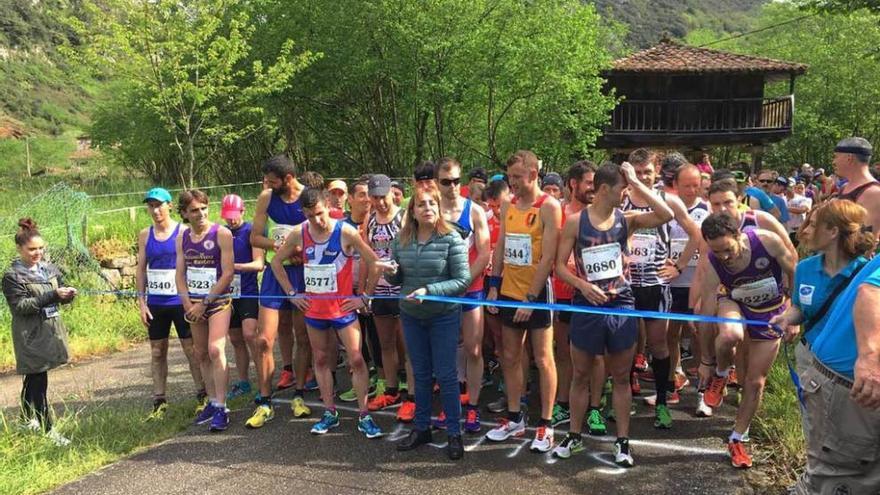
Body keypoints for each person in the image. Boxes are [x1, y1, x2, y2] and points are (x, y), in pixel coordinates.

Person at [552, 162, 673, 466]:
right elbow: (559, 267)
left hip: (621, 303)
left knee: (620, 376)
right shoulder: (576, 222)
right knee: (580, 374)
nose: (626, 193)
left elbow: (666, 215)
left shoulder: (626, 220)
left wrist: (635, 180)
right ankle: (574, 435)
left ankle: (622, 442)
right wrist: (582, 285)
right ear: (605, 189)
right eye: (622, 188)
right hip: (586, 305)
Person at [271, 187, 385, 440]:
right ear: (304, 213)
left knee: (356, 359)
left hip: (342, 309)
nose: (317, 221)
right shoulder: (299, 232)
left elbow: (373, 261)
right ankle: (330, 411)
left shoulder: (345, 231)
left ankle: (364, 414)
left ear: (328, 207)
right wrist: (292, 293)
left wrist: (364, 296)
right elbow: (276, 262)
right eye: (310, 216)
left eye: (320, 214)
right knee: (321, 360)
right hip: (314, 310)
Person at [781, 211, 880, 494]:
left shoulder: (862, 265)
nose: (805, 230)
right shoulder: (806, 267)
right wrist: (870, 360)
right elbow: (870, 295)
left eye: (813, 224)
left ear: (834, 231)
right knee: (837, 478)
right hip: (849, 382)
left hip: (842, 377)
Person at [697, 212, 796, 468]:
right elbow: (708, 307)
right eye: (716, 251)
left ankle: (737, 438)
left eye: (727, 249)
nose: (724, 257)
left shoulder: (767, 241)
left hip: (770, 313)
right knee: (730, 334)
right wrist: (706, 360)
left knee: (755, 382)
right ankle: (721, 373)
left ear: (739, 235)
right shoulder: (713, 261)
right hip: (735, 303)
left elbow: (795, 272)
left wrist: (794, 312)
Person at [385, 186, 471, 460]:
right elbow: (397, 280)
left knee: (446, 375)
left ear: (439, 208)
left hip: (443, 316)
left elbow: (462, 281)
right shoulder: (400, 241)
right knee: (420, 374)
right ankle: (422, 428)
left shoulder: (452, 239)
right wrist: (391, 274)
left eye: (432, 203)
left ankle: (454, 433)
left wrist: (429, 291)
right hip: (411, 315)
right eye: (421, 204)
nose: (427, 208)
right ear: (412, 210)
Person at [486, 150, 561, 453]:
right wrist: (494, 286)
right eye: (510, 177)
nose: (513, 182)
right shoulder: (508, 206)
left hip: (537, 293)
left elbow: (548, 257)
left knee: (543, 358)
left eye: (517, 177)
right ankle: (515, 416)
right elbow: (502, 245)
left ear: (533, 174)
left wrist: (531, 298)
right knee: (509, 355)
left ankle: (546, 424)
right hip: (508, 290)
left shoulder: (549, 206)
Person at [623, 149, 701, 430]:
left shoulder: (667, 200)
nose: (642, 177)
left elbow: (695, 233)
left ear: (656, 172)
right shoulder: (621, 199)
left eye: (647, 172)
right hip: (626, 284)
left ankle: (663, 403)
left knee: (658, 345)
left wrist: (678, 266)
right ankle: (622, 400)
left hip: (656, 285)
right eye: (637, 171)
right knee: (625, 345)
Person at [247, 154, 311, 429]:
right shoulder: (266, 198)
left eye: (273, 182)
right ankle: (264, 401)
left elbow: (323, 233)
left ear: (288, 178)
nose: (268, 185)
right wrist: (280, 247)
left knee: (303, 336)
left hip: (303, 274)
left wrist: (303, 252)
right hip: (276, 272)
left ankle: (299, 393)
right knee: (264, 340)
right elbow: (255, 237)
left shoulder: (308, 197)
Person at [3, 218, 76, 446]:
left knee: (34, 377)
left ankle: (26, 419)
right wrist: (53, 296)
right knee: (38, 379)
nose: (37, 253)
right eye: (32, 249)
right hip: (30, 334)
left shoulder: (49, 269)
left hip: (51, 331)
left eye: (41, 248)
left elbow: (59, 290)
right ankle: (48, 429)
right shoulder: (12, 276)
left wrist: (67, 296)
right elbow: (20, 307)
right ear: (19, 249)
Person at [135, 187, 204, 420]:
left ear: (169, 206)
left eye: (159, 205)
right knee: (157, 351)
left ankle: (202, 395)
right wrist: (141, 302)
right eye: (151, 206)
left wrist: (194, 299)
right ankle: (159, 401)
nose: (155, 210)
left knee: (191, 349)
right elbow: (141, 269)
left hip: (180, 300)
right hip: (156, 302)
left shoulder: (182, 231)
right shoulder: (145, 235)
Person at [435, 158, 491, 433]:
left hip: (470, 290)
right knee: (446, 350)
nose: (453, 186)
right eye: (446, 182)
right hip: (442, 294)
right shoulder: (430, 212)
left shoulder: (475, 211)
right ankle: (450, 404)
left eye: (457, 180)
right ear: (437, 183)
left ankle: (473, 407)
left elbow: (484, 252)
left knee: (473, 348)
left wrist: (464, 280)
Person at [550, 161, 606, 431]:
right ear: (573, 184)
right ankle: (563, 403)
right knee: (564, 351)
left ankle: (595, 408)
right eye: (588, 182)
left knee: (595, 354)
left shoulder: (603, 214)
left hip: (594, 295)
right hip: (562, 292)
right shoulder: (558, 213)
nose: (593, 188)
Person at [175, 190, 235, 432]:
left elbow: (228, 272)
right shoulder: (182, 238)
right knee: (200, 353)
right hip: (194, 304)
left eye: (203, 208)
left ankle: (222, 406)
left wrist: (204, 303)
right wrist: (188, 304)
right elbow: (179, 274)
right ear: (184, 214)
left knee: (214, 349)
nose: (200, 214)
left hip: (218, 302)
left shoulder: (222, 233)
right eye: (193, 210)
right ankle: (211, 401)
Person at [364, 174, 416, 422]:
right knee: (385, 343)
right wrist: (367, 292)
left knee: (409, 345)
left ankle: (412, 396)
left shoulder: (404, 216)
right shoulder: (370, 219)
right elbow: (369, 257)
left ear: (391, 193)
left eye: (382, 197)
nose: (379, 203)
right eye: (374, 198)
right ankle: (392, 390)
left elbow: (414, 251)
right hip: (381, 290)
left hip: (403, 289)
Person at [659, 162, 710, 410]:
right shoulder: (666, 208)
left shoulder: (707, 210)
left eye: (696, 185)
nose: (692, 190)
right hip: (672, 283)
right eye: (686, 185)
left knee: (699, 335)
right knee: (671, 333)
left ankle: (702, 392)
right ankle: (672, 384)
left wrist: (681, 264)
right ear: (675, 185)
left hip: (697, 283)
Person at [220, 194, 264, 400]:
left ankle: (263, 378)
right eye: (227, 216)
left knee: (250, 334)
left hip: (247, 291)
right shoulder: (222, 233)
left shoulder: (250, 231)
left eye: (234, 215)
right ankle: (244, 381)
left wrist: (233, 267)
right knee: (236, 339)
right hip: (228, 293)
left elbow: (259, 264)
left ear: (242, 211)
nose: (231, 220)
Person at [482, 179, 513, 414]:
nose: (496, 211)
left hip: (517, 285)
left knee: (520, 344)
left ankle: (522, 391)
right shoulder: (484, 221)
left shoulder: (520, 217)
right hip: (491, 284)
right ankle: (506, 389)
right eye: (491, 207)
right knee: (498, 339)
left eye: (499, 205)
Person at [832, 137, 880, 236]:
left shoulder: (873, 193)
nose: (834, 162)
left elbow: (868, 241)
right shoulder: (844, 187)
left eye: (836, 157)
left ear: (849, 158)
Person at [786, 181, 812, 246]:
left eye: (802, 188)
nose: (800, 190)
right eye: (798, 188)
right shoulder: (783, 198)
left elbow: (803, 210)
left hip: (798, 231)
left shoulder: (806, 199)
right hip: (787, 231)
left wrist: (785, 208)